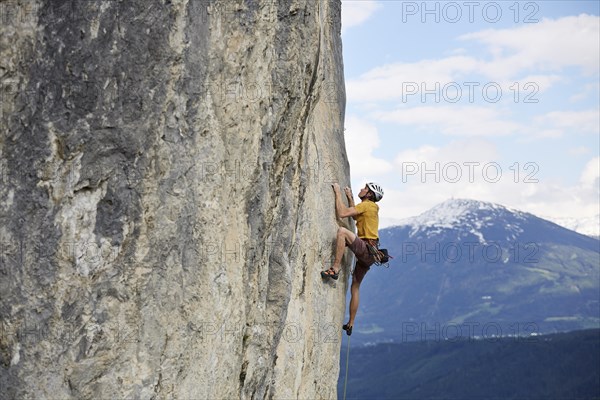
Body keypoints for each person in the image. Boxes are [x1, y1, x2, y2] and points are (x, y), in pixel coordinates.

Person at [322, 182, 384, 336]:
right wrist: (350, 198)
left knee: (342, 232)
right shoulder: (370, 207)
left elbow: (342, 213)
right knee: (355, 286)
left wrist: (337, 192)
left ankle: (335, 269)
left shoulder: (367, 205)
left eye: (365, 188)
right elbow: (356, 216)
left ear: (369, 194)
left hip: (365, 248)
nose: (362, 189)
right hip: (371, 254)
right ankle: (351, 323)